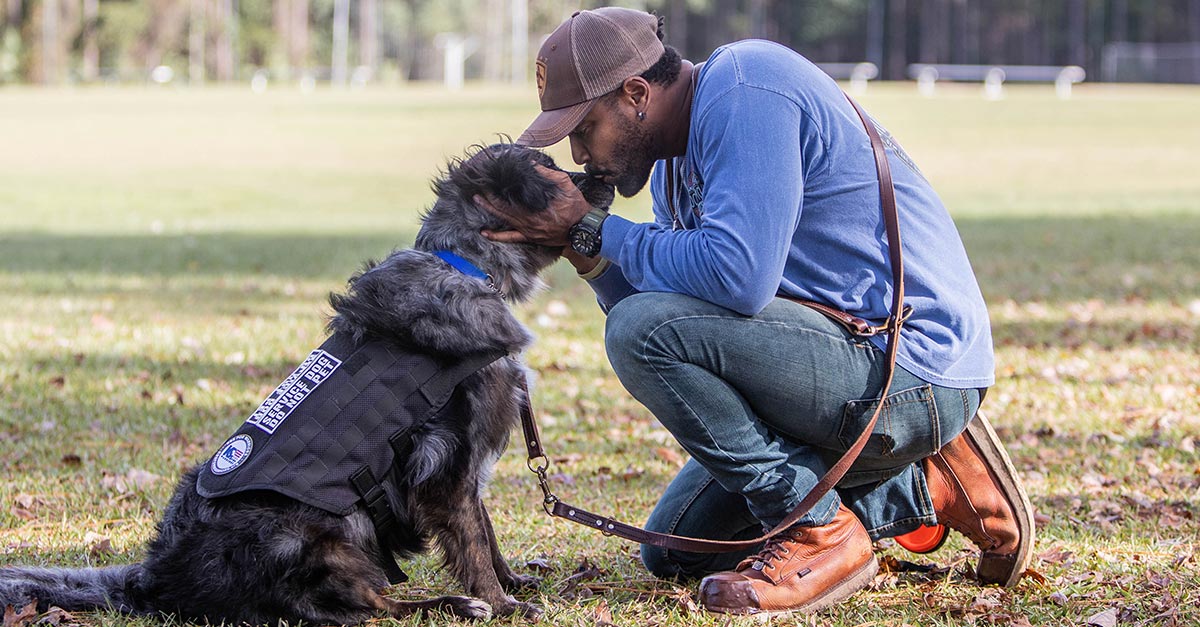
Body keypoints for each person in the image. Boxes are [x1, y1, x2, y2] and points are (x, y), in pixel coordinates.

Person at [475, 7, 1034, 617]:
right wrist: (589, 255)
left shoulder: (746, 87)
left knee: (639, 331)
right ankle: (931, 485)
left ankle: (822, 531)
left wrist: (598, 229)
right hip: (839, 362)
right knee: (678, 548)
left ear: (636, 93)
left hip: (910, 363)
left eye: (585, 129)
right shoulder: (671, 170)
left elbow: (736, 280)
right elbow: (680, 309)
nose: (582, 154)